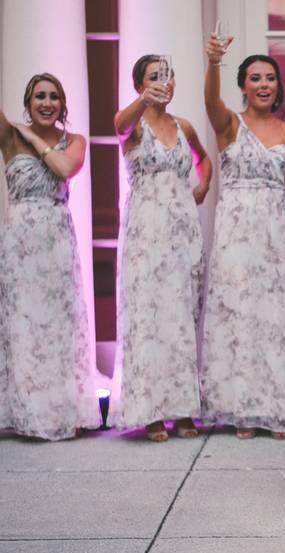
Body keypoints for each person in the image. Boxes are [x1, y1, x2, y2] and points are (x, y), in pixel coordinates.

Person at [201, 35, 285, 438]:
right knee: (239, 317)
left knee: (277, 319)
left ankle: (278, 407)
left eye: (269, 78)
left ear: (278, 86)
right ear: (243, 85)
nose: (264, 84)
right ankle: (241, 410)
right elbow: (211, 101)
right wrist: (214, 62)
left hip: (278, 230)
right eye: (255, 78)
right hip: (236, 232)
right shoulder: (230, 124)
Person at [108, 55, 212, 442]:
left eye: (167, 76)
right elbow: (118, 125)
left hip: (183, 231)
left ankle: (183, 410)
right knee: (149, 319)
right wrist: (143, 102)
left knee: (181, 316)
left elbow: (203, 160)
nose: (162, 82)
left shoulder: (183, 126)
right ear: (140, 85)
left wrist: (200, 187)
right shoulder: (134, 126)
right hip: (146, 233)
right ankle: (151, 412)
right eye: (153, 77)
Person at [0, 73, 101, 440]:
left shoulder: (74, 140)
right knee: (23, 326)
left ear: (62, 104)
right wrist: (21, 133)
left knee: (58, 326)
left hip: (57, 238)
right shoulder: (8, 135)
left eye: (54, 97)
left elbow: (64, 168)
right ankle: (27, 414)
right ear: (28, 104)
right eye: (39, 97)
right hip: (20, 243)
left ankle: (60, 412)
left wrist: (33, 140)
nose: (46, 103)